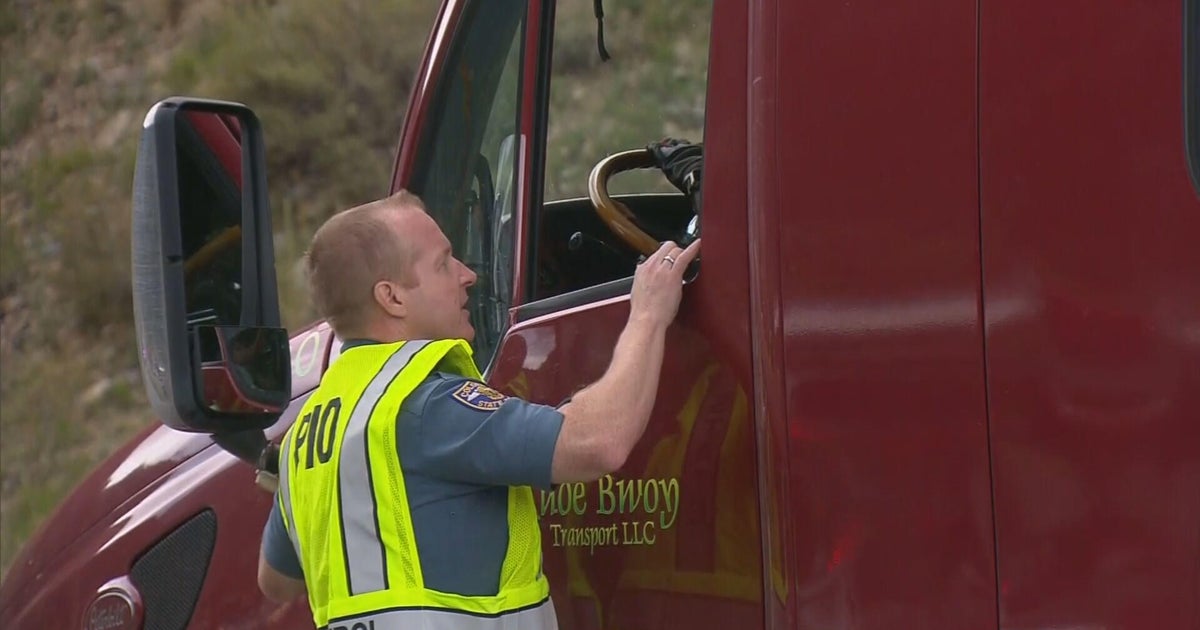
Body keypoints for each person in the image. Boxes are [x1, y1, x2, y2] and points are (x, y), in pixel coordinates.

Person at [257, 190, 701, 629]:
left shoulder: (306, 435)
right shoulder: (423, 404)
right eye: (443, 263)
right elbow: (596, 443)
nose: (467, 275)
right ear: (392, 298)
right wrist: (648, 316)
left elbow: (276, 580)